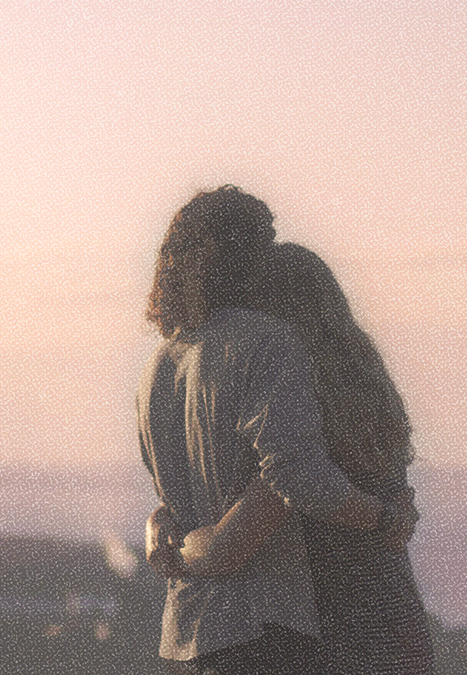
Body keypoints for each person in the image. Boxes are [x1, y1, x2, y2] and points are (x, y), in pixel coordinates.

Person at [137, 187, 415, 674]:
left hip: (206, 634)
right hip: (331, 632)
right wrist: (389, 518)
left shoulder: (159, 367)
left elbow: (220, 518)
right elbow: (283, 494)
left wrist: (168, 540)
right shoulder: (310, 383)